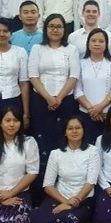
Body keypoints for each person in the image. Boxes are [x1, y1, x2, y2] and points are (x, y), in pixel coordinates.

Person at [28, 13, 80, 204]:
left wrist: (58, 97)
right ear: (46, 28)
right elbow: (33, 75)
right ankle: (41, 195)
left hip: (65, 102)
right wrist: (49, 97)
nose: (55, 30)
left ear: (64, 30)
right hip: (41, 101)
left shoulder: (71, 49)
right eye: (51, 26)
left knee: (64, 143)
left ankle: (64, 190)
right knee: (43, 146)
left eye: (59, 26)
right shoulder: (37, 48)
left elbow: (73, 76)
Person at [28, 115, 100, 223]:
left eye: (78, 128)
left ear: (84, 130)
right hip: (59, 197)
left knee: (69, 221)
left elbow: (91, 182)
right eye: (70, 128)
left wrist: (74, 201)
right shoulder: (56, 154)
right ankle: (46, 222)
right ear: (65, 133)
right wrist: (65, 202)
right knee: (40, 219)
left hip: (82, 198)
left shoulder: (92, 151)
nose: (74, 131)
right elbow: (48, 185)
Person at [74, 28, 111, 145]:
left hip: (107, 114)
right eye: (93, 41)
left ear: (106, 44)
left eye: (101, 41)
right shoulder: (81, 63)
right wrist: (91, 109)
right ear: (88, 43)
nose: (97, 44)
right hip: (86, 113)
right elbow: (77, 90)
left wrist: (100, 107)